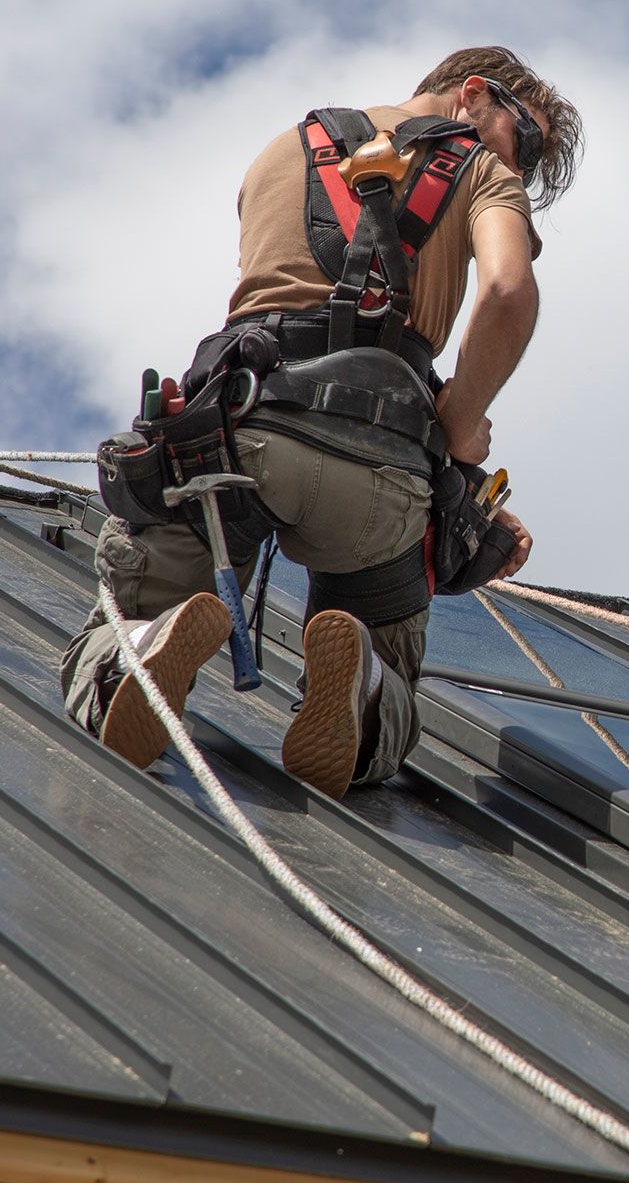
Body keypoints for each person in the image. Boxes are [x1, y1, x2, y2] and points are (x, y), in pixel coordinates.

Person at [61, 47, 581, 798]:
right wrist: (462, 424)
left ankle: (144, 645)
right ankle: (364, 685)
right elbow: (507, 289)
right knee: (385, 654)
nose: (519, 165)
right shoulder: (481, 169)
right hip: (384, 471)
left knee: (133, 606)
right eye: (524, 140)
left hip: (236, 434)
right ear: (474, 95)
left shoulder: (280, 152)